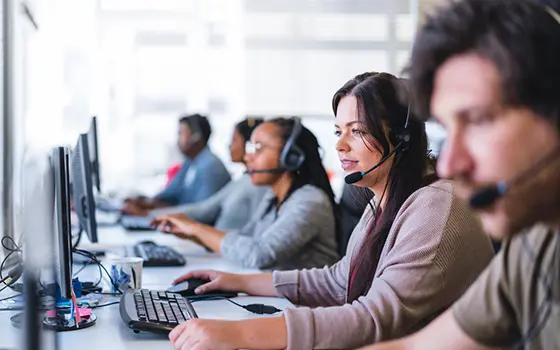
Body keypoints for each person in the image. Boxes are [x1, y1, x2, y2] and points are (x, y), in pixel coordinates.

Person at [165, 73, 495, 350]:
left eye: (358, 130)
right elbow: (339, 282)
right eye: (339, 131)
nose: (340, 145)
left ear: (402, 137)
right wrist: (238, 281)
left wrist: (238, 333)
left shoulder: (436, 205)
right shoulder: (383, 200)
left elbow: (373, 318)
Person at [363, 1, 560, 349]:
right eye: (447, 128)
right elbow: (413, 347)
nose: (449, 165)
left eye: (479, 120)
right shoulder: (534, 242)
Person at [152, 117, 340, 270]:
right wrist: (191, 234)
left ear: (290, 157)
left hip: (305, 308)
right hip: (278, 300)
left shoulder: (310, 201)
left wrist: (196, 228)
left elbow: (259, 255)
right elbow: (245, 236)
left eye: (258, 148)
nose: (247, 157)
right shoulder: (273, 197)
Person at [148, 118, 268, 231]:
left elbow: (204, 212)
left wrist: (152, 214)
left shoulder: (213, 167)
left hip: (220, 246)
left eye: (234, 140)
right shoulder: (243, 180)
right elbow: (173, 195)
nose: (229, 145)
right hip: (216, 243)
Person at [122, 114, 230, 215]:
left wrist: (149, 214)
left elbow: (200, 212)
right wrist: (144, 202)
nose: (177, 141)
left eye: (180, 134)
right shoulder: (190, 162)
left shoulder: (211, 166)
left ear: (196, 137)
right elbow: (170, 194)